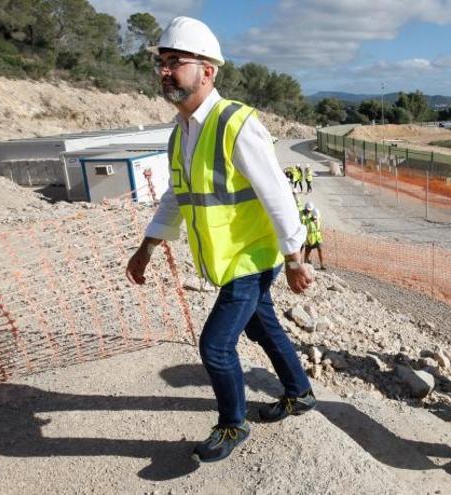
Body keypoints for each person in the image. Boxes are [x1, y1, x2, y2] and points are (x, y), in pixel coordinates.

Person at [124, 16, 315, 464]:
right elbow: (178, 195)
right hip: (228, 261)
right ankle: (300, 392)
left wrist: (294, 257)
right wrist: (148, 246)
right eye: (162, 63)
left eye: (175, 61)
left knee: (214, 346)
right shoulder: (181, 132)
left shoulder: (235, 123)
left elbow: (278, 193)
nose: (165, 71)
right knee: (260, 324)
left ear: (208, 71)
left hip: (251, 258)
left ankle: (233, 423)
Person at [301, 202, 325, 270]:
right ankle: (305, 264)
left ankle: (322, 265)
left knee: (320, 250)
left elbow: (318, 229)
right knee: (307, 252)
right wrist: (305, 240)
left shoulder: (318, 218)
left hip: (318, 239)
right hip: (310, 240)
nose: (315, 219)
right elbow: (305, 231)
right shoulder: (307, 221)